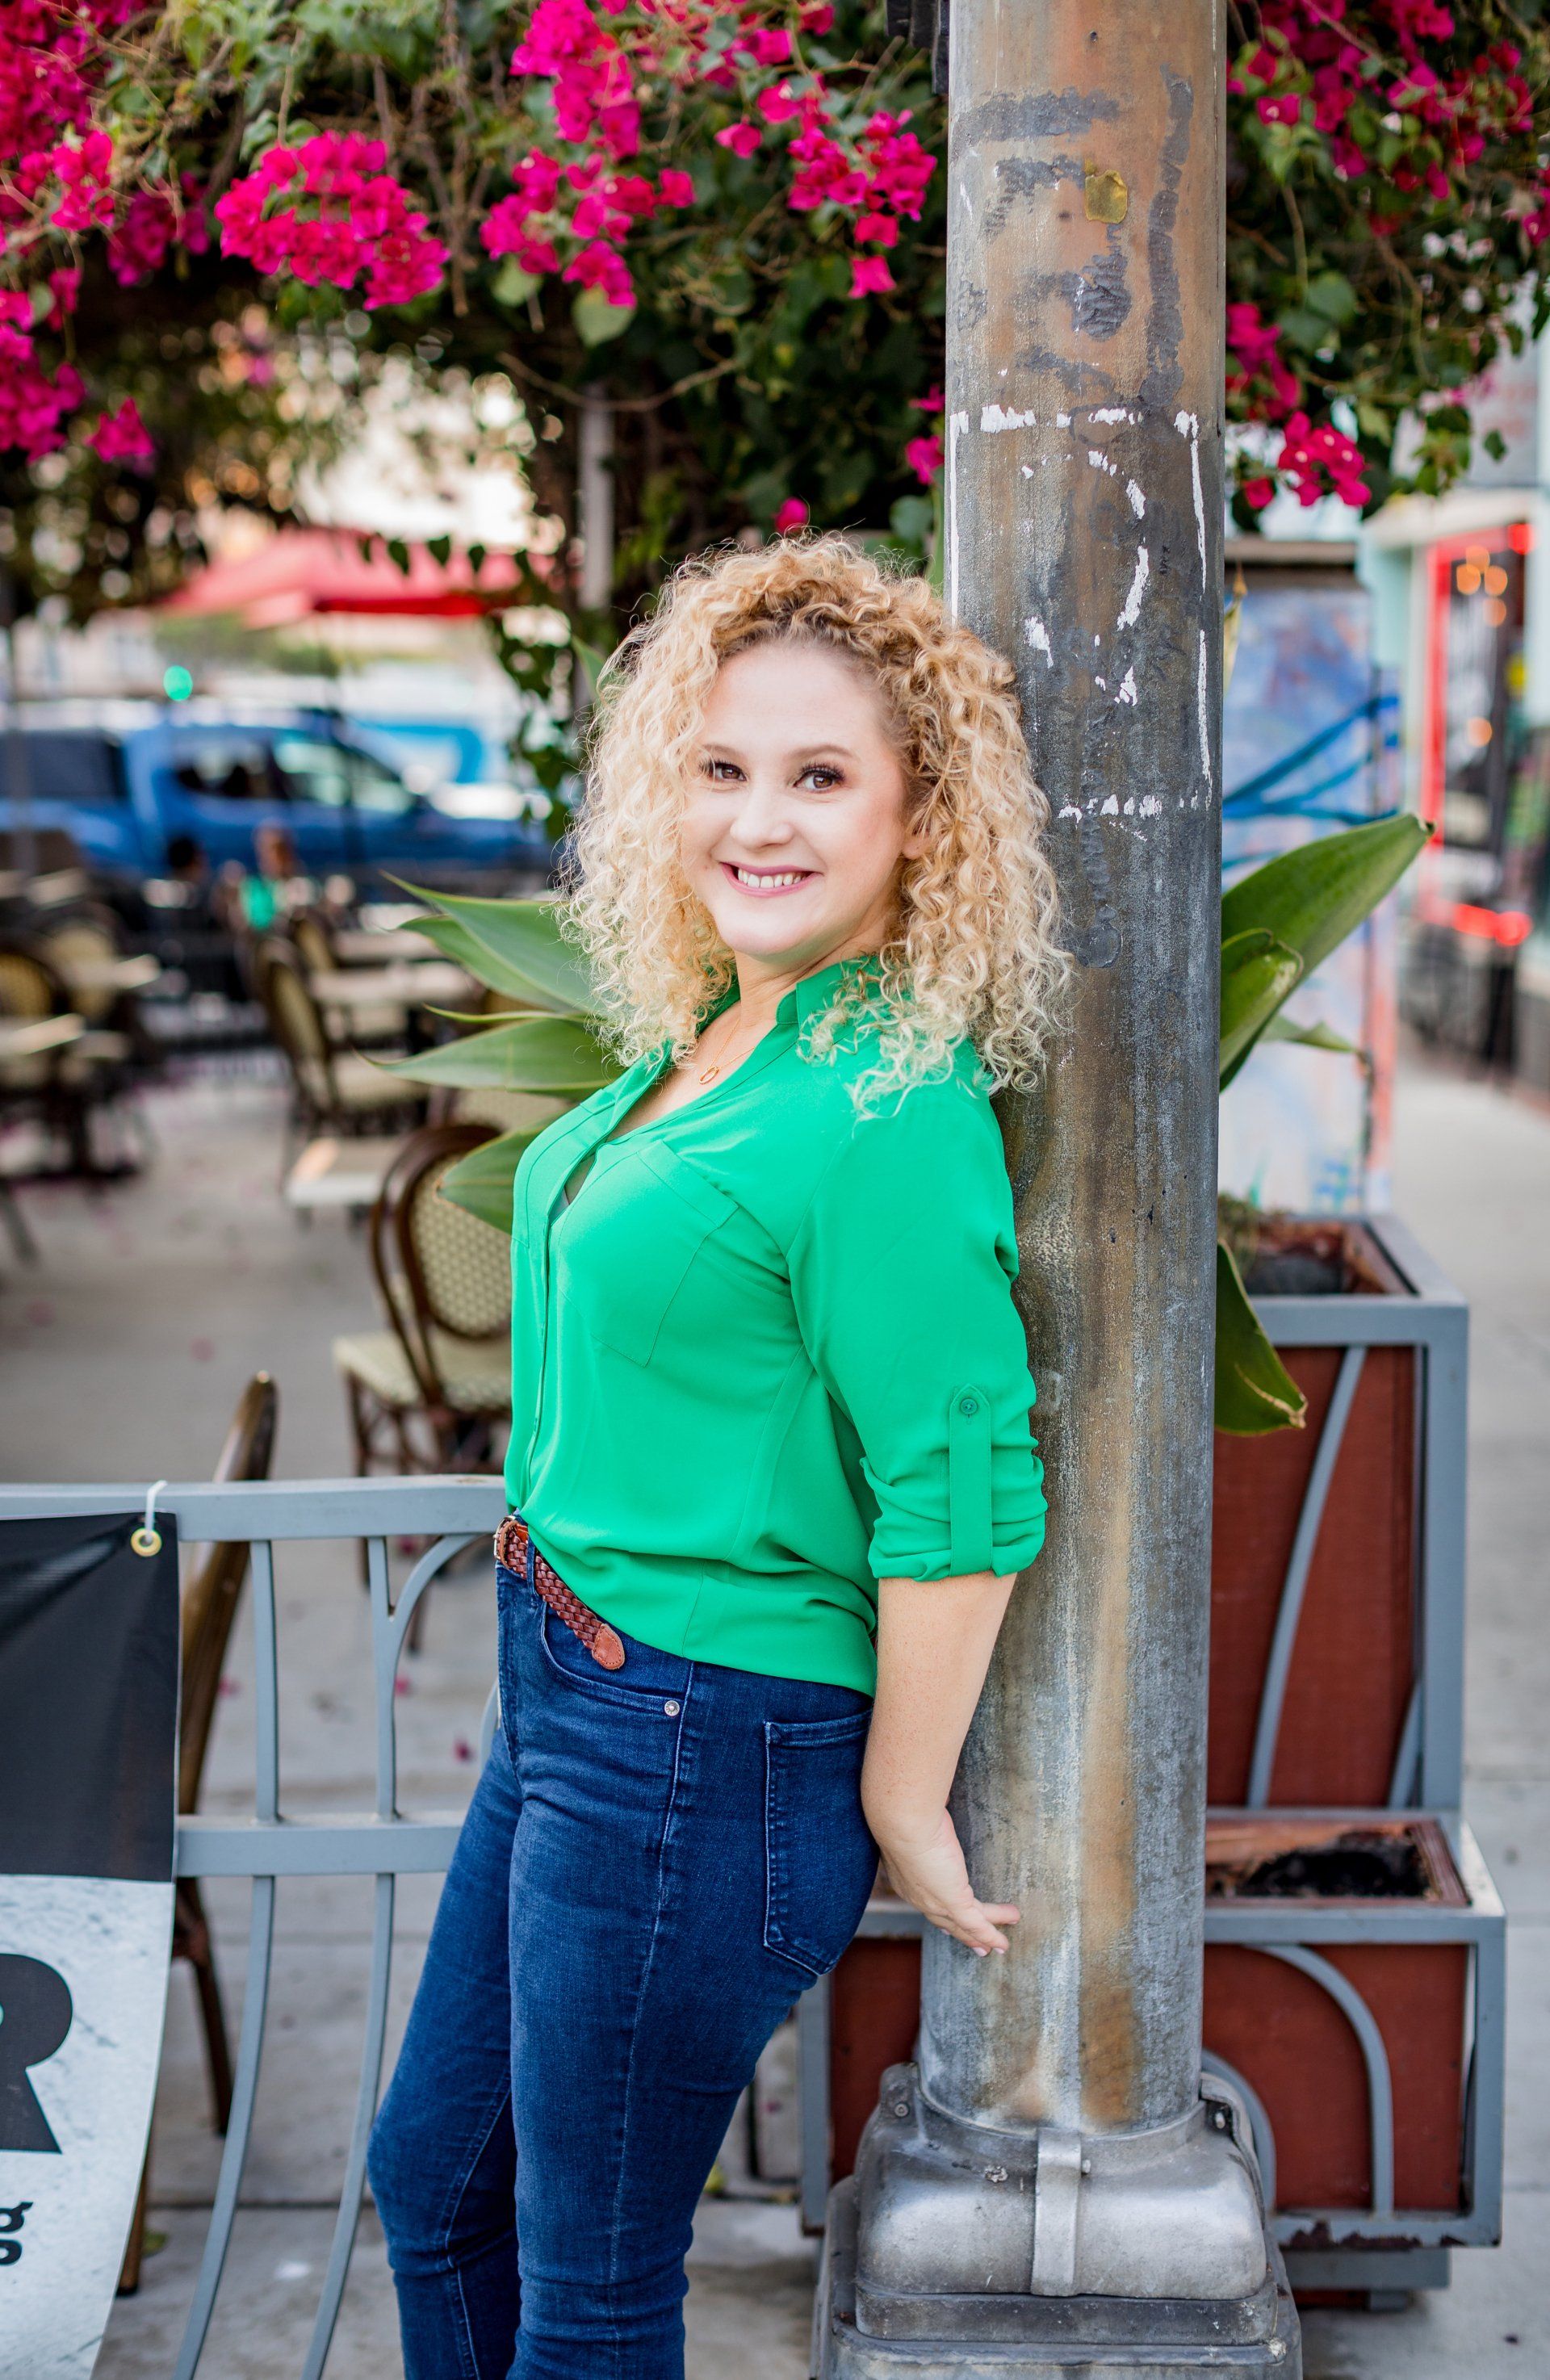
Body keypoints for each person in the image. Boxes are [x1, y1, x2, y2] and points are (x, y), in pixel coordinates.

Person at [367, 536, 1066, 2379]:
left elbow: (962, 1482)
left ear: (922, 821)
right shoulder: (723, 1036)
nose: (762, 817)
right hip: (578, 1694)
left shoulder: (884, 1103)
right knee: (436, 2187)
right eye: (723, 766)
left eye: (823, 775)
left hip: (703, 1740)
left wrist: (907, 1799)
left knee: (588, 2287)